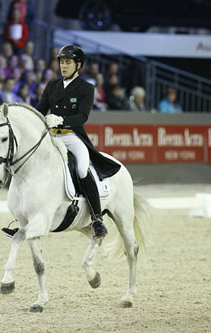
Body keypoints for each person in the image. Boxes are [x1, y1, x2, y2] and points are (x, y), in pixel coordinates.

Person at [35, 44, 121, 239]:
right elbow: (40, 110)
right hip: (52, 137)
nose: (63, 66)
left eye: (68, 62)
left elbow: (82, 117)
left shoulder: (86, 88)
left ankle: (97, 218)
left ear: (78, 65)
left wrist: (62, 120)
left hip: (71, 135)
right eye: (61, 62)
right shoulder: (52, 86)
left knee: (82, 168)